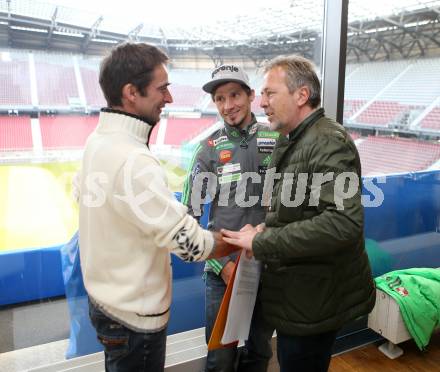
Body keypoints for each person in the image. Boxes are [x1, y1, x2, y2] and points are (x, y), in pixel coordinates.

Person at [78, 43, 239, 372]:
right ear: (131, 93)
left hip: (107, 305)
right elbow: (191, 245)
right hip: (134, 319)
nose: (169, 98)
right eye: (162, 88)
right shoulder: (134, 159)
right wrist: (239, 241)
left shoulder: (97, 142)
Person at [222, 55, 376, 372]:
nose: (261, 102)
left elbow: (343, 223)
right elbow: (298, 209)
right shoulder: (296, 137)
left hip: (314, 302)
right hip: (303, 295)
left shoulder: (328, 142)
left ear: (301, 95)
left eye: (269, 93)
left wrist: (263, 243)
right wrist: (266, 229)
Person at [181, 65, 276, 372]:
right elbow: (189, 219)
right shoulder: (207, 149)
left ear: (250, 96)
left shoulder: (277, 139)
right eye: (220, 98)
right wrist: (221, 264)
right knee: (220, 360)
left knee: (259, 352)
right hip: (223, 272)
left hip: (267, 265)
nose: (228, 105)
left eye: (234, 95)